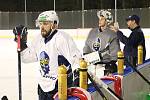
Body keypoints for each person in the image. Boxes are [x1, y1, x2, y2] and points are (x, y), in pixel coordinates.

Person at [13, 11, 81, 100]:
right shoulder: (38, 39)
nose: (42, 27)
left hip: (60, 86)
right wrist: (22, 44)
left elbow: (75, 57)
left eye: (45, 24)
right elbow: (27, 58)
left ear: (54, 25)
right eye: (40, 24)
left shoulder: (62, 38)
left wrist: (77, 75)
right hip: (42, 86)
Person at [83, 10, 120, 76]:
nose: (99, 20)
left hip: (104, 66)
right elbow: (87, 46)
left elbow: (114, 54)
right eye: (99, 19)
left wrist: (111, 64)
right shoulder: (92, 31)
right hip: (91, 66)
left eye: (102, 19)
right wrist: (86, 56)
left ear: (107, 21)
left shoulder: (112, 34)